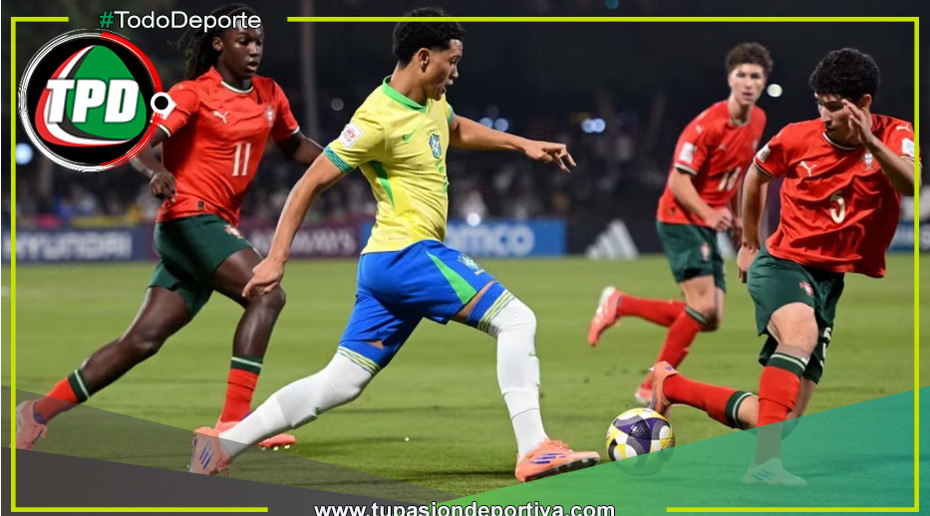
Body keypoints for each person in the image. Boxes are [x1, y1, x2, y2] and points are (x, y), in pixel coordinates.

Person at [188, 7, 600, 483]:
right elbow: (309, 183)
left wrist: (522, 143)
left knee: (341, 381)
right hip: (408, 254)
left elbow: (455, 127)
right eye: (452, 62)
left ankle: (221, 446)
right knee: (516, 319)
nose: (456, 73)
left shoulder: (431, 101)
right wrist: (276, 258)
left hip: (386, 267)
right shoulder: (376, 119)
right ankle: (534, 448)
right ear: (424, 58)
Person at [15, 4, 323, 451]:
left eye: (258, 41)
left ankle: (38, 411)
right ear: (218, 44)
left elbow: (294, 147)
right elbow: (140, 141)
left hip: (207, 228)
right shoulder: (192, 94)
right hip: (189, 219)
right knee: (267, 293)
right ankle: (234, 423)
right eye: (243, 41)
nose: (254, 49)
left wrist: (345, 160)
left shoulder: (269, 94)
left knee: (140, 341)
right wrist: (156, 170)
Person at [647, 48, 917, 486]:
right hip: (782, 265)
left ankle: (671, 386)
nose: (824, 115)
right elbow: (755, 176)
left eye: (834, 106)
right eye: (820, 104)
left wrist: (870, 142)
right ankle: (764, 466)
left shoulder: (896, 134)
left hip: (829, 281)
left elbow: (910, 183)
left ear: (863, 103)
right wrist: (750, 242)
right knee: (801, 334)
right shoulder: (796, 137)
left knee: (778, 420)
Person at [588, 43, 774, 405]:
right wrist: (709, 213)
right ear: (730, 79)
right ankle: (653, 384)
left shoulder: (758, 120)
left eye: (756, 76)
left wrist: (736, 215)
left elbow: (737, 174)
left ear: (764, 82)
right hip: (680, 218)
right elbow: (677, 180)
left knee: (711, 318)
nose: (749, 82)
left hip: (707, 220)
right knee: (702, 307)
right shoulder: (706, 127)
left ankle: (620, 303)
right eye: (742, 75)